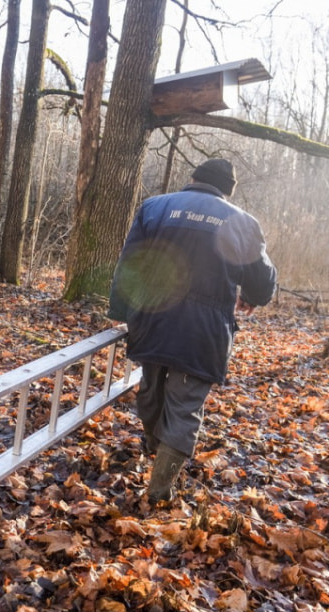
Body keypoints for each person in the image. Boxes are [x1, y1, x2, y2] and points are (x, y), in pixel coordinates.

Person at [108, 157, 277, 505]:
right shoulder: (243, 223)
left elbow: (129, 262)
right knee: (184, 407)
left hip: (153, 320)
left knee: (150, 391)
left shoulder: (156, 206)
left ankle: (158, 450)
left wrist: (120, 311)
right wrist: (252, 296)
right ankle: (158, 492)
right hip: (205, 332)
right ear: (228, 192)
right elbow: (262, 280)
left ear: (194, 178)